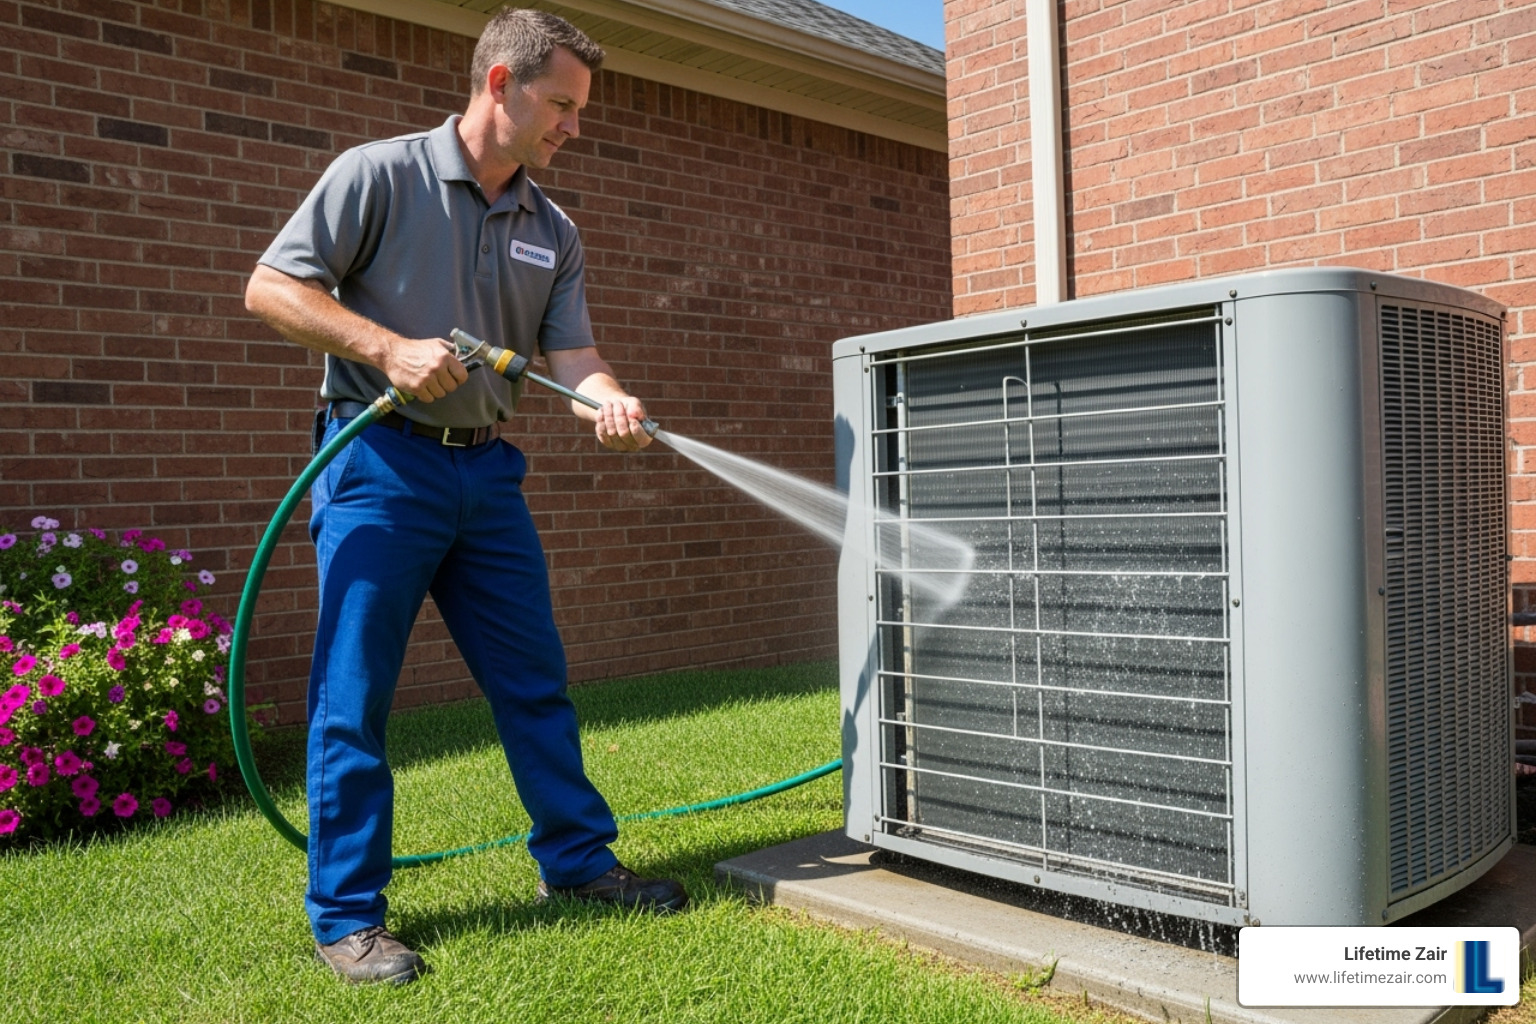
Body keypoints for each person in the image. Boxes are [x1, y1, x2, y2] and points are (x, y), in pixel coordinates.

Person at [244, 8, 687, 986]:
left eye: (579, 109)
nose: (575, 126)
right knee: (354, 698)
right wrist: (386, 347)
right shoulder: (379, 174)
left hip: (487, 472)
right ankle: (348, 916)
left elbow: (574, 356)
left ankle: (576, 864)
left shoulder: (551, 227)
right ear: (499, 84)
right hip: (377, 466)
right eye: (562, 106)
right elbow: (272, 287)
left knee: (535, 682)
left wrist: (610, 401)